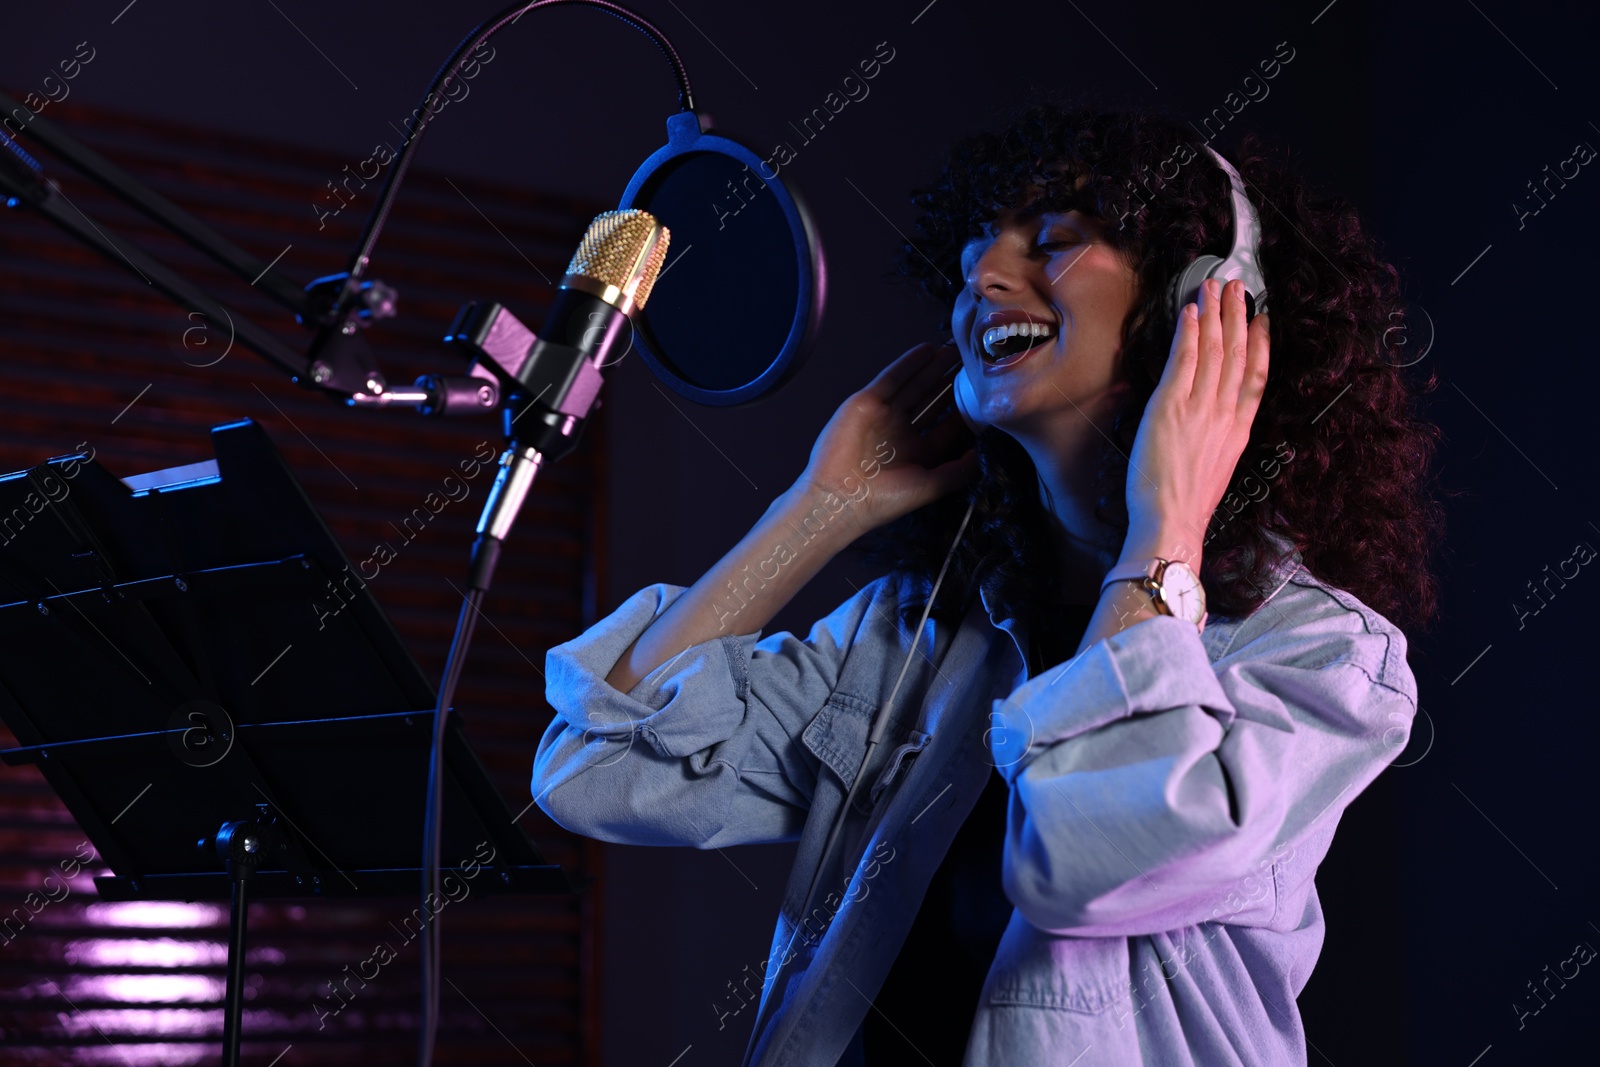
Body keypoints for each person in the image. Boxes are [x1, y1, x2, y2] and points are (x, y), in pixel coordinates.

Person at [530, 103, 1444, 1066]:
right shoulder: (919, 630)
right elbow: (598, 770)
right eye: (972, 254)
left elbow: (1079, 861)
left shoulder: (1326, 656)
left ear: (1201, 301)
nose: (984, 275)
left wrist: (1163, 534)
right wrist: (819, 506)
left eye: (1052, 241)